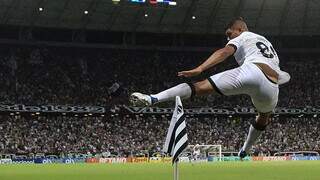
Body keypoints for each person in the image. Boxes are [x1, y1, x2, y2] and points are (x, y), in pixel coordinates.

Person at [129, 17, 290, 159]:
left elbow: (225, 52)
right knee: (263, 117)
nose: (228, 37)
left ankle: (152, 98)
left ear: (239, 29)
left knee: (198, 87)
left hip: (252, 71)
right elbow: (278, 70)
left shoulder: (244, 36)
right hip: (272, 85)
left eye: (229, 33)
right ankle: (245, 150)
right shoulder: (266, 42)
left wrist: (201, 68)